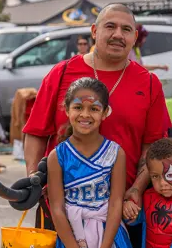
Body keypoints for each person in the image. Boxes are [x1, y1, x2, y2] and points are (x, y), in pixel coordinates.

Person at [22, 3, 171, 247]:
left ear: (135, 37)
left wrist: (135, 189)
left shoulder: (149, 83)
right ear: (94, 31)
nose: (118, 35)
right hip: (59, 210)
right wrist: (33, 179)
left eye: (126, 29)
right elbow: (36, 131)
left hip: (122, 211)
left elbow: (153, 145)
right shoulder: (62, 73)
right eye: (110, 26)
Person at [48, 77, 132, 248]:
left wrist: (106, 245)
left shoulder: (115, 153)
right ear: (66, 109)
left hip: (109, 236)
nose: (85, 115)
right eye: (78, 107)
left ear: (105, 112)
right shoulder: (57, 156)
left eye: (94, 109)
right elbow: (57, 208)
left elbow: (116, 203)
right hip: (71, 235)